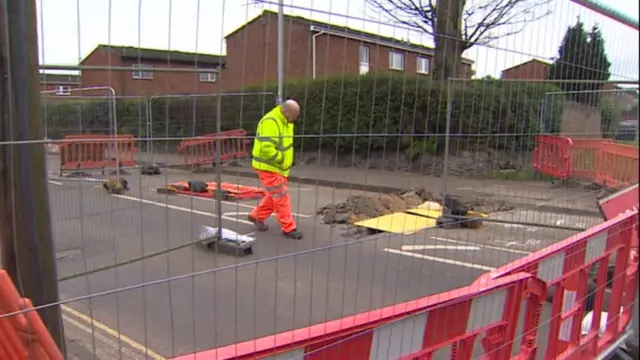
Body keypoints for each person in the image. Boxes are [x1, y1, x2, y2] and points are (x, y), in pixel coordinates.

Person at [248, 99, 303, 240]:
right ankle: (288, 228)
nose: (295, 119)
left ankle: (256, 216)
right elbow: (266, 149)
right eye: (293, 115)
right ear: (284, 111)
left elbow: (285, 144)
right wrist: (283, 159)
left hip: (279, 167)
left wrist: (288, 160)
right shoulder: (270, 122)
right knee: (281, 196)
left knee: (275, 195)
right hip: (268, 167)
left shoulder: (286, 121)